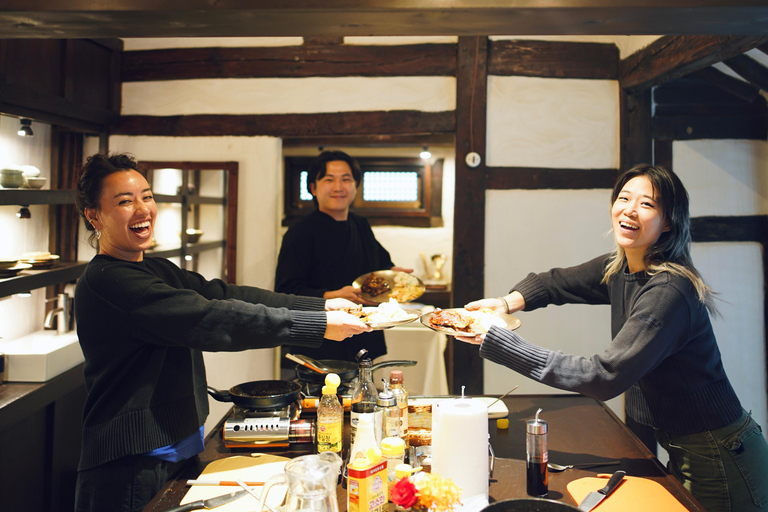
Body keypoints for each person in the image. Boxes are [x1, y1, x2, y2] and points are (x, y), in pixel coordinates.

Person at [457, 164, 768, 512]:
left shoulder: (668, 290)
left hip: (719, 449)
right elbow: (555, 282)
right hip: (685, 444)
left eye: (647, 204)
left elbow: (603, 376)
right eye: (624, 198)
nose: (629, 210)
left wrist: (500, 341)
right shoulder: (621, 268)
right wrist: (503, 303)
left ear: (669, 222)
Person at [72, 153, 370, 512]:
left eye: (147, 196)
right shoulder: (110, 282)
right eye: (124, 201)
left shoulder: (153, 268)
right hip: (131, 463)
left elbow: (225, 294)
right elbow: (210, 317)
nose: (142, 209)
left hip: (173, 446)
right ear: (93, 215)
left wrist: (319, 307)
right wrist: (317, 325)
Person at [275, 150, 412, 361]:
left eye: (346, 179)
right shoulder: (300, 232)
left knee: (364, 391)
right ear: (313, 187)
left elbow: (380, 265)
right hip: (321, 341)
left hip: (363, 334)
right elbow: (285, 293)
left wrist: (394, 275)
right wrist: (333, 295)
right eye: (329, 179)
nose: (338, 187)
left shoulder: (360, 224)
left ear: (355, 186)